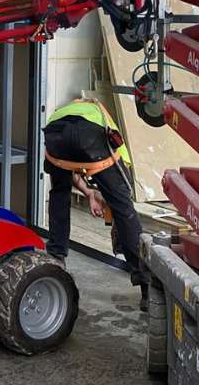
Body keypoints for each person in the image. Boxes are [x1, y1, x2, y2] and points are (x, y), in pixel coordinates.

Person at [43, 96, 149, 309]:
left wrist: (90, 193)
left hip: (55, 133)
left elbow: (69, 168)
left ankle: (56, 257)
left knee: (59, 193)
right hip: (88, 134)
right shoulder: (107, 127)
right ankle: (146, 285)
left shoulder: (67, 110)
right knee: (123, 208)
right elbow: (120, 189)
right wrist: (110, 199)